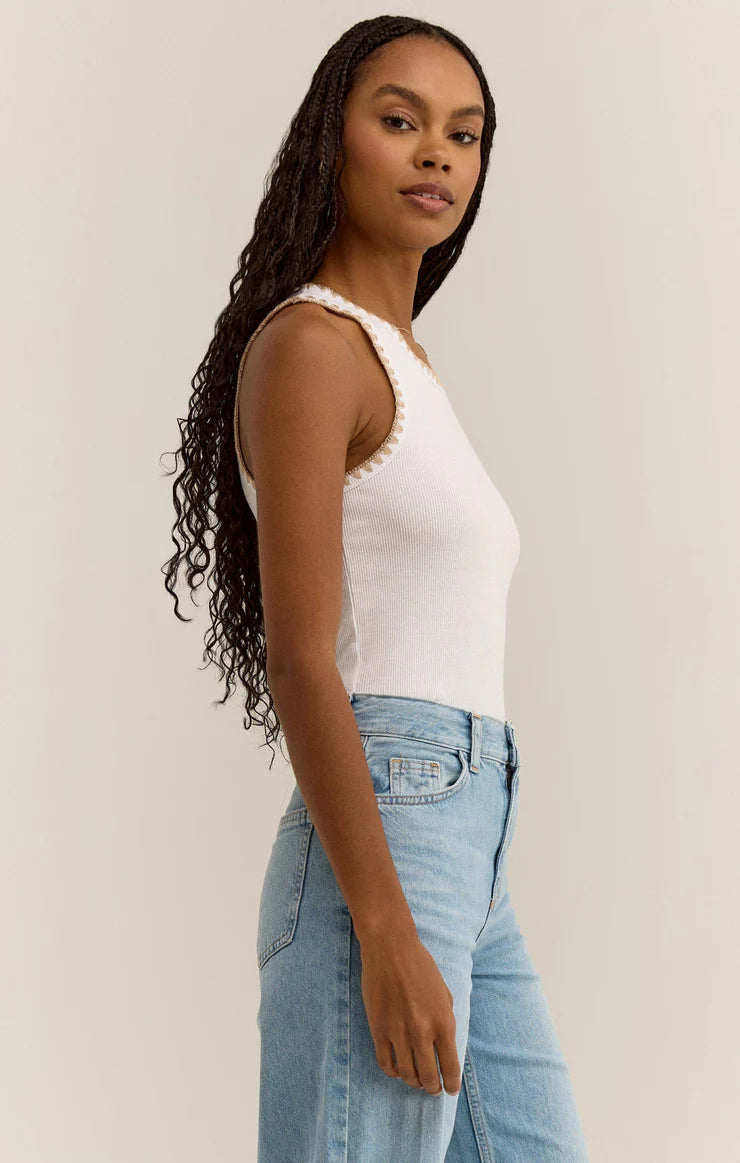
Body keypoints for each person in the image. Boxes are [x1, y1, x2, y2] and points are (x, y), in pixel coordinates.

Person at [163, 15, 590, 1162]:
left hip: (468, 835)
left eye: (464, 132)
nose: (436, 151)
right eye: (399, 120)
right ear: (331, 140)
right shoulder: (313, 345)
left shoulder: (403, 362)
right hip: (391, 826)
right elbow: (300, 655)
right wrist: (384, 925)